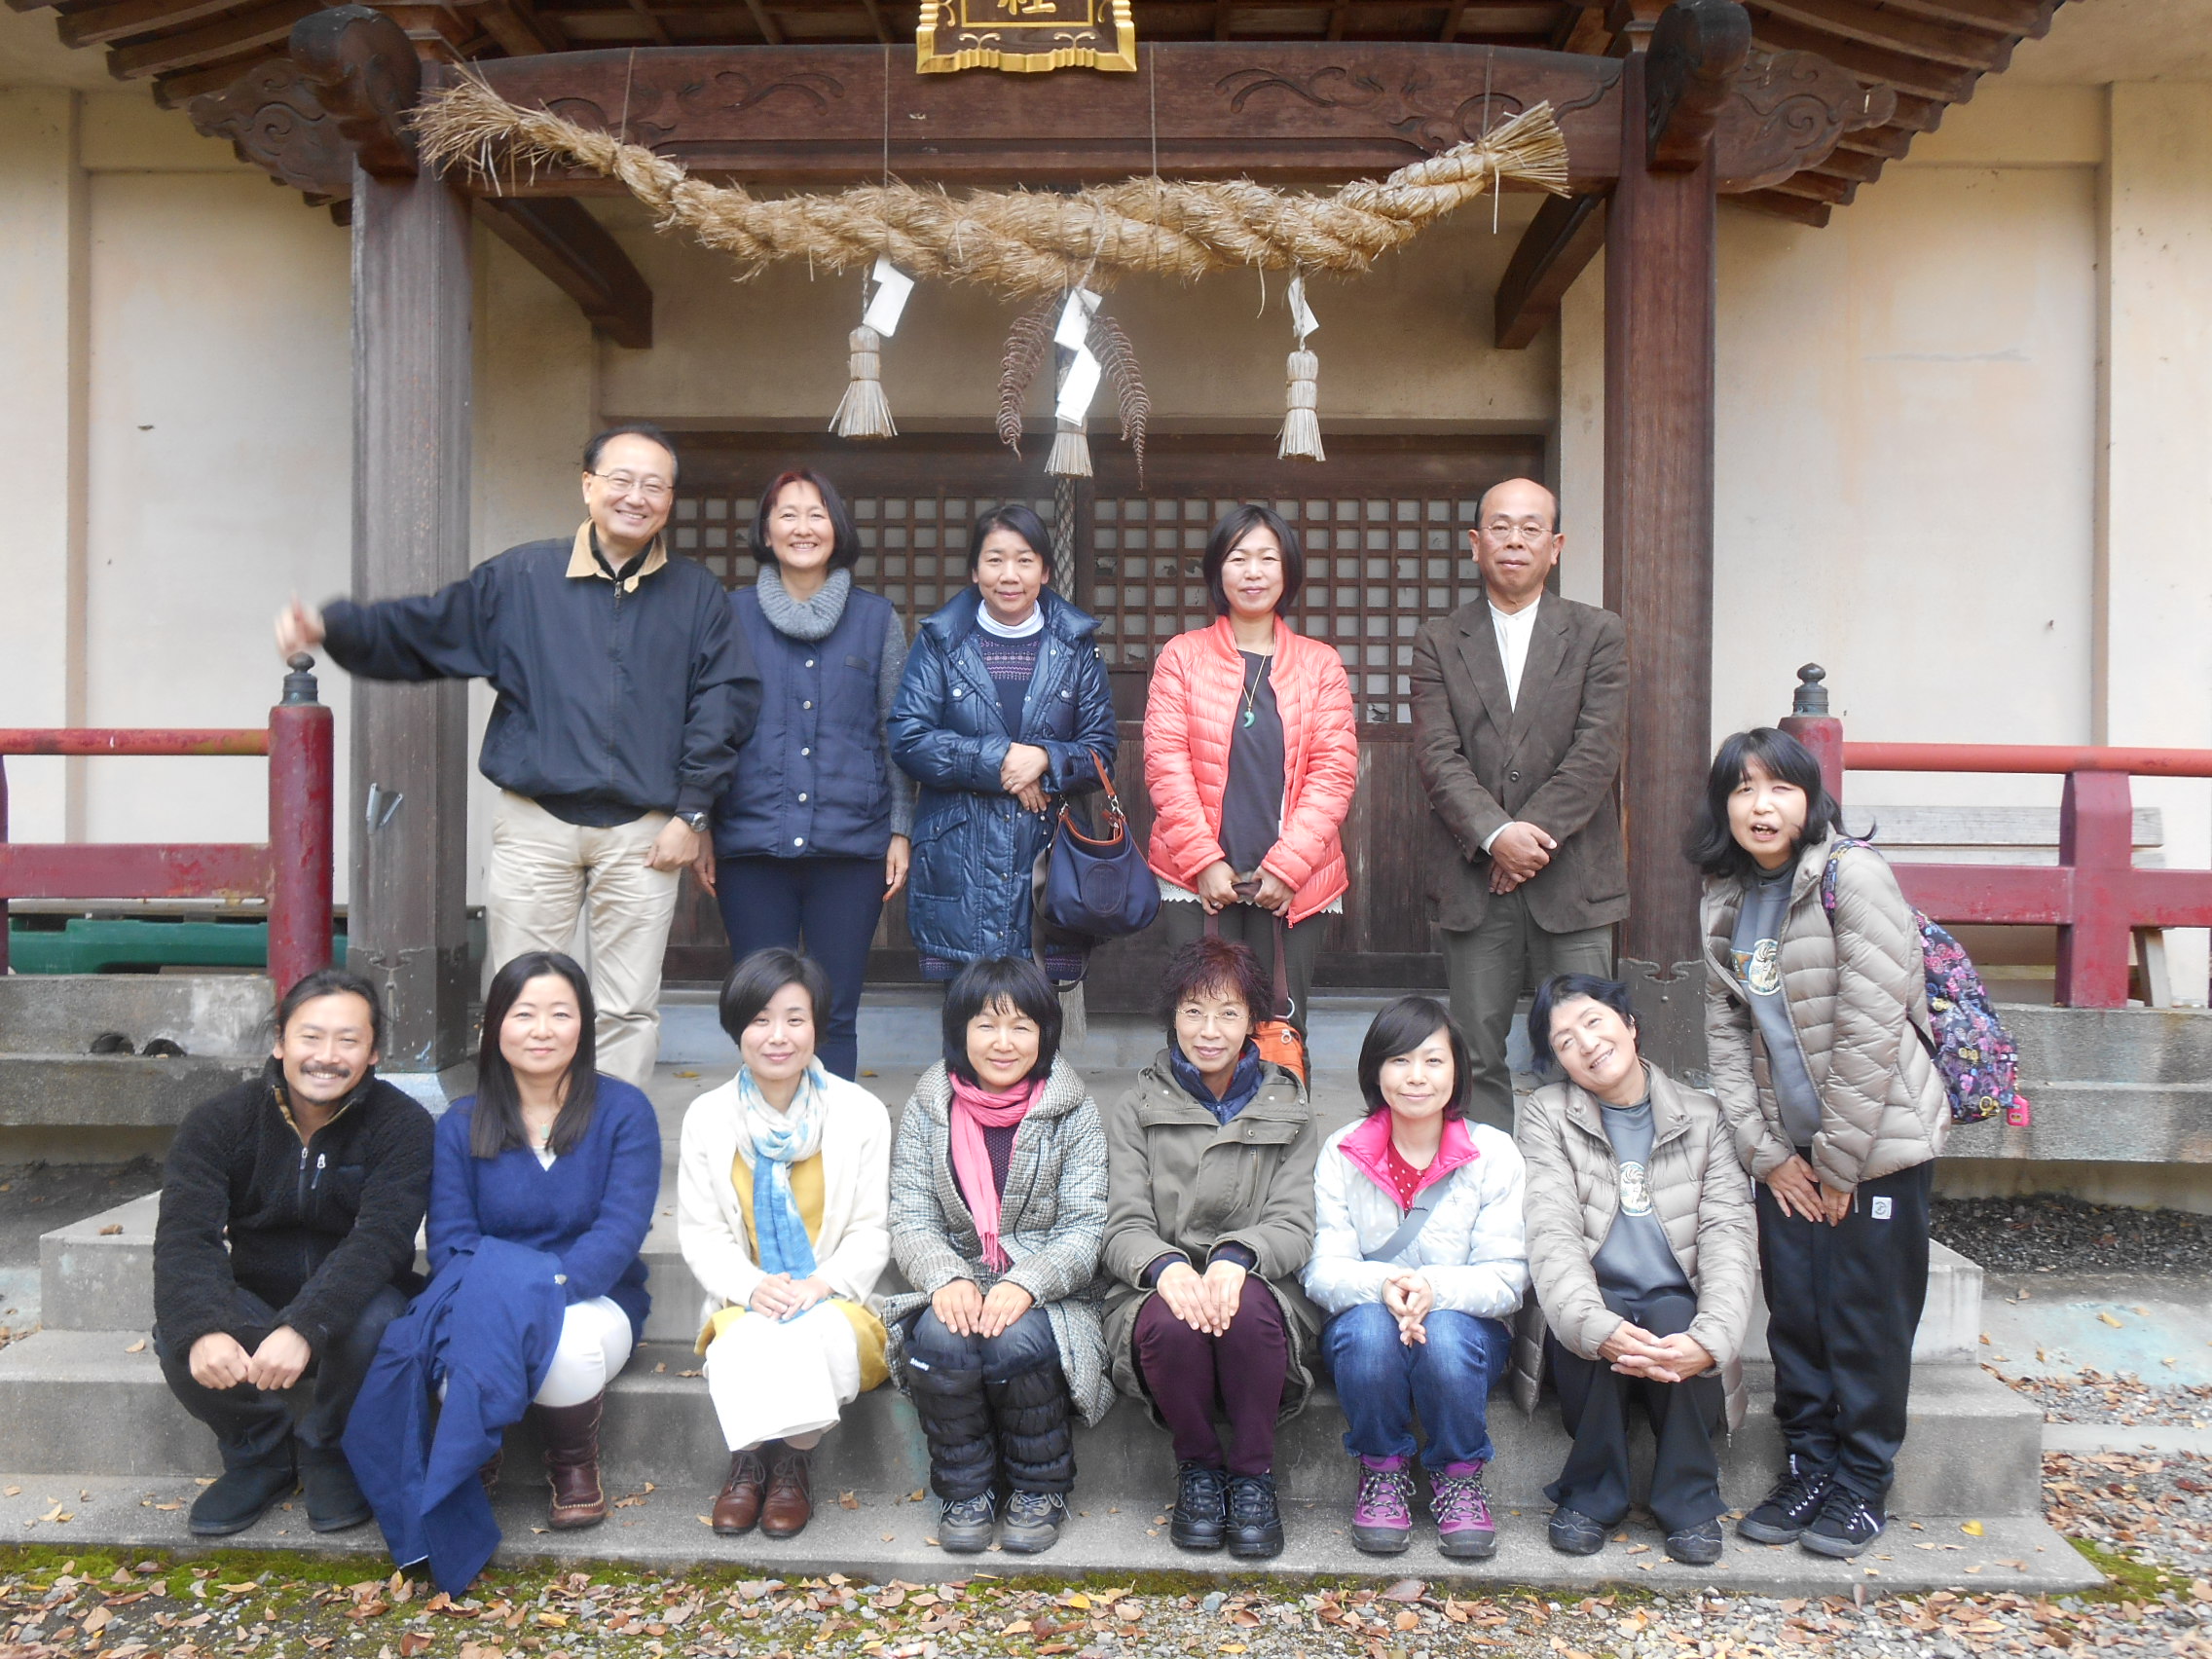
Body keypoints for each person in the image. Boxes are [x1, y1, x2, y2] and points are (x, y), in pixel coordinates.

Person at [276, 424, 762, 1088]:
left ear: (670, 500)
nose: (636, 496)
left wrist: (693, 812)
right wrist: (336, 627)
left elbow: (724, 702)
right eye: (620, 479)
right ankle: (520, 1137)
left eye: (654, 485)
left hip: (647, 833)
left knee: (626, 1007)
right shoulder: (522, 578)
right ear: (588, 486)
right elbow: (428, 629)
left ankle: (607, 1146)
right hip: (537, 824)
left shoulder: (696, 596)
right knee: (525, 997)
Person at [1692, 728, 1947, 1559]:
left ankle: (1865, 1480)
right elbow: (1727, 1036)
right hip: (1790, 1159)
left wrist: (1837, 1164)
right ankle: (1810, 1465)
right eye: (1741, 789)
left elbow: (1873, 1027)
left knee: (1865, 1320)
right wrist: (1767, 1155)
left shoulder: (1854, 876)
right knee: (1797, 1317)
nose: (1759, 807)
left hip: (1876, 1147)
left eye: (1778, 789)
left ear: (1810, 800)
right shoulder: (1725, 895)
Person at [345, 950, 661, 1590]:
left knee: (566, 1348)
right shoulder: (462, 1123)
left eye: (560, 1014)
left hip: (592, 1295)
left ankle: (573, 1460)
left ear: (584, 1027)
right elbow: (454, 1240)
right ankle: (474, 1450)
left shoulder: (624, 1112)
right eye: (524, 1014)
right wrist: (510, 1293)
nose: (542, 1029)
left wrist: (543, 1287)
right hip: (483, 1291)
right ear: (493, 1027)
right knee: (446, 1350)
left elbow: (618, 1233)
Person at [152, 969, 432, 1537]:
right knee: (181, 1326)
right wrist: (205, 1326)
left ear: (373, 1051)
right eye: (310, 1037)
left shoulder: (403, 1125)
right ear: (280, 1041)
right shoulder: (219, 1122)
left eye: (348, 1040)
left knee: (382, 1315)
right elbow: (186, 1237)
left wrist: (305, 1325)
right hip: (255, 1300)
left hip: (352, 1312)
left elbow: (380, 1240)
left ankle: (329, 1447)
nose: (326, 1056)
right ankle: (260, 1453)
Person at [1409, 477, 1628, 1132]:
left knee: (1591, 1049)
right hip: (1475, 879)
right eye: (1500, 527)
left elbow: (1597, 753)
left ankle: (1585, 1191)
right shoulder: (1440, 640)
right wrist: (1494, 834)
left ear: (1555, 546)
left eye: (1532, 528)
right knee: (1476, 1054)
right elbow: (1436, 755)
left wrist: (1524, 840)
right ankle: (1495, 1194)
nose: (1515, 540)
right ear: (1476, 544)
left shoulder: (1598, 634)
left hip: (1576, 877)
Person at [1514, 974, 1756, 1567]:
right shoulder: (1545, 1115)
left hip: (1679, 1304)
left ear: (1629, 1024)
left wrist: (1711, 1339)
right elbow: (1552, 1233)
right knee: (1603, 1320)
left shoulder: (1707, 1117)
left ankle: (1690, 1500)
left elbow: (1729, 1234)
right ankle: (1591, 1494)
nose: (1587, 1044)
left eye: (1594, 1022)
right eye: (1565, 1041)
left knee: (1676, 1315)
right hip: (1591, 1309)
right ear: (1560, 1063)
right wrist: (1593, 1325)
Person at [880, 958, 1111, 1557]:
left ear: (1045, 1034)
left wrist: (1027, 1282)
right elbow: (910, 1216)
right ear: (959, 1030)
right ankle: (967, 1491)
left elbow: (1086, 1228)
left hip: (1047, 1289)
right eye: (986, 1025)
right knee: (940, 1339)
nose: (1003, 1043)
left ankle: (1039, 1489)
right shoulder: (930, 1107)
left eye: (1021, 1026)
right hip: (958, 1273)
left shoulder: (1074, 1112)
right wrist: (945, 1276)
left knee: (1016, 1340)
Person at [1100, 937, 1321, 1561]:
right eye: (1193, 1010)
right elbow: (1121, 1224)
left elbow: (1294, 1222)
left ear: (1253, 1019)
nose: (1209, 1030)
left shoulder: (1290, 1105)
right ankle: (1198, 1469)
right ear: (1172, 1015)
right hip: (1157, 1288)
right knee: (1171, 1323)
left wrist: (1236, 1257)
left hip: (1259, 1285)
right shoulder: (1136, 1106)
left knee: (1248, 1309)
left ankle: (1252, 1477)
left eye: (1228, 1012)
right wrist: (1165, 1266)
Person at [694, 470, 912, 1080]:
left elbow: (894, 730)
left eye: (816, 514)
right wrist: (702, 823)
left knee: (835, 1011)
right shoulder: (728, 615)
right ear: (765, 531)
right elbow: (708, 726)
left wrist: (900, 827)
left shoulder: (876, 620)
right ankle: (767, 1141)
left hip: (851, 846)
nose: (802, 527)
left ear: (836, 528)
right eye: (786, 514)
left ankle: (831, 1153)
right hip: (749, 842)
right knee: (762, 1010)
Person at [678, 947, 893, 1540]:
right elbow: (702, 1232)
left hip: (837, 1300)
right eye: (760, 1019)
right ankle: (750, 1461)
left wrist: (819, 1284)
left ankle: (789, 1461)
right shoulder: (707, 1117)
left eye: (795, 1019)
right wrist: (753, 1286)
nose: (779, 1036)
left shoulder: (862, 1114)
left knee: (810, 1329)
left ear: (817, 1025)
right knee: (747, 1333)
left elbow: (873, 1228)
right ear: (737, 1027)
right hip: (748, 1295)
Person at [1304, 996, 1527, 1560]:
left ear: (1458, 1071)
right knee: (1371, 1332)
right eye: (1399, 1061)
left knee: (1446, 1337)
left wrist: (1435, 1292)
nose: (1416, 1077)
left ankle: (1458, 1475)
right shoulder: (1342, 1152)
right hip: (1368, 1321)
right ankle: (1382, 1469)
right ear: (1375, 1071)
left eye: (1433, 1061)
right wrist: (1383, 1288)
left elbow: (1507, 1279)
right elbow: (1323, 1269)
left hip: (1468, 1330)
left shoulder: (1493, 1153)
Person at [1144, 503, 1358, 1034]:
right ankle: (1196, 1120)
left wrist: (1288, 868)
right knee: (1201, 1025)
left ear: (1287, 572)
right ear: (1219, 569)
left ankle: (1278, 1119)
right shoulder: (1182, 656)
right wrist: (1203, 863)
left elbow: (1333, 773)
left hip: (1294, 878)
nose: (1253, 571)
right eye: (1239, 558)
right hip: (1196, 877)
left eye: (1267, 558)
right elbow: (1165, 766)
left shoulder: (1319, 663)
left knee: (1277, 1026)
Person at [888, 503, 1116, 981]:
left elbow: (1101, 753)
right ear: (974, 570)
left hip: (1047, 858)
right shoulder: (940, 642)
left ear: (1046, 570)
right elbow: (908, 739)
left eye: (1025, 559)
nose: (1008, 575)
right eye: (994, 560)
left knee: (1037, 1015)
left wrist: (1045, 758)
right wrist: (1005, 762)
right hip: (958, 860)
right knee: (964, 1019)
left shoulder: (1075, 646)